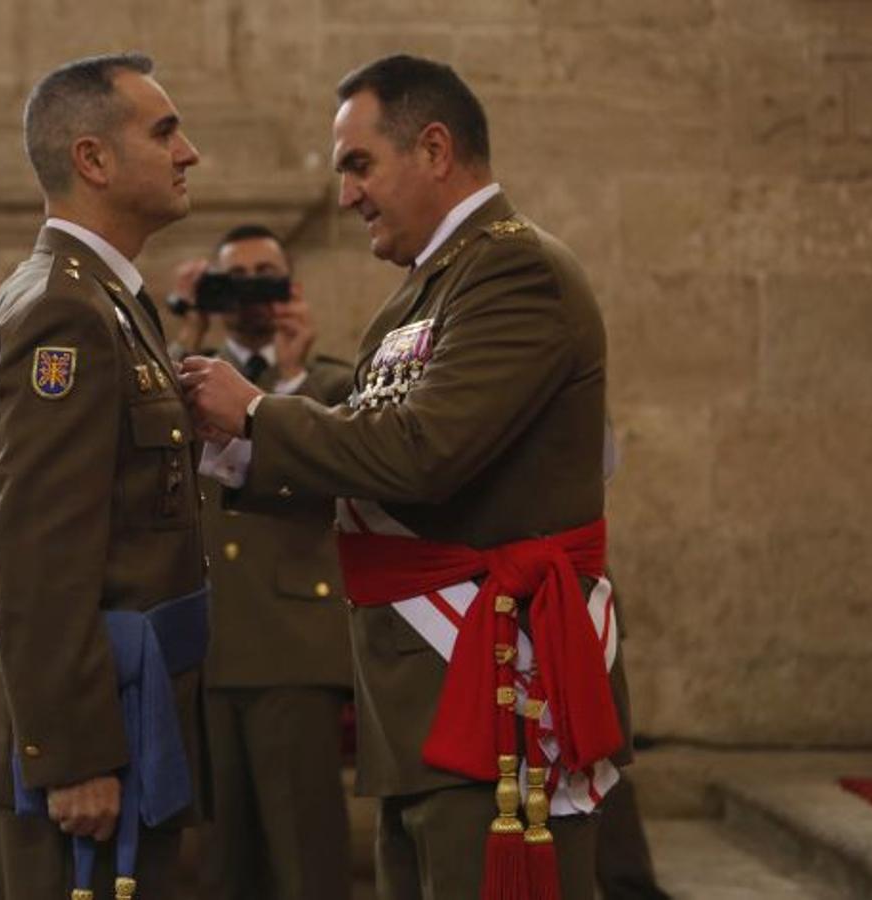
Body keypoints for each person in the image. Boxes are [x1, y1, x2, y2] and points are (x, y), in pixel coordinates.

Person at [181, 55, 632, 900]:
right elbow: (360, 450)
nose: (346, 193)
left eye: (359, 164)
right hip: (423, 689)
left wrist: (254, 414)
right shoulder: (419, 295)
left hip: (493, 681)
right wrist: (235, 440)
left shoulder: (515, 271)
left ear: (433, 148)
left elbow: (420, 453)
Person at [0, 52, 208, 900]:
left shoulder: (103, 298)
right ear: (93, 160)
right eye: (165, 131)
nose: (189, 153)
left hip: (129, 707)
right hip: (89, 736)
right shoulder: (65, 310)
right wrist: (74, 757)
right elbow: (37, 551)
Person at [168, 225, 354, 900]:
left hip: (292, 644)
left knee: (307, 851)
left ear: (292, 287)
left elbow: (336, 469)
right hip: (210, 643)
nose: (250, 292)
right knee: (222, 860)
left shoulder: (329, 380)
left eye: (265, 276)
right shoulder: (184, 377)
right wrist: (183, 332)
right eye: (233, 278)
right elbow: (149, 459)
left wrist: (293, 377)